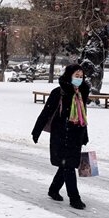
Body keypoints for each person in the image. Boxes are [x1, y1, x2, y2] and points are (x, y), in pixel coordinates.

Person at [31, 63, 90, 209]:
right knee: (68, 166)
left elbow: (83, 116)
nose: (79, 79)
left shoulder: (81, 93)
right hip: (61, 134)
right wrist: (36, 130)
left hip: (76, 135)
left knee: (67, 165)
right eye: (76, 76)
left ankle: (53, 189)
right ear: (69, 76)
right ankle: (74, 198)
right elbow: (47, 112)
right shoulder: (59, 92)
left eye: (81, 76)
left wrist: (85, 135)